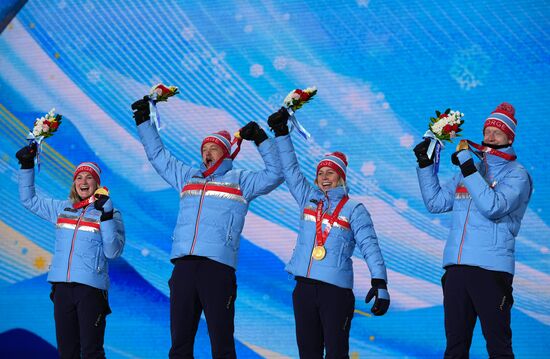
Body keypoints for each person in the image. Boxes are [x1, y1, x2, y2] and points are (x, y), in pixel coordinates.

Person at [131, 97, 283, 358]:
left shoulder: (241, 180)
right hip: (184, 267)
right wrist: (144, 120)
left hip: (217, 268)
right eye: (204, 148)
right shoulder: (187, 177)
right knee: (180, 344)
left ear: (225, 152)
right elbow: (158, 156)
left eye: (213, 148)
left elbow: (276, 173)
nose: (207, 152)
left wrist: (261, 139)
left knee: (221, 343)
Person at [267, 108, 390, 358]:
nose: (324, 177)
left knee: (336, 354)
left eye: (330, 173)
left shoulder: (355, 209)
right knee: (308, 354)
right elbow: (291, 169)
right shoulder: (308, 199)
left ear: (341, 177)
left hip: (335, 292)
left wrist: (380, 282)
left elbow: (370, 246)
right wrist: (282, 133)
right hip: (303, 289)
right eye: (320, 173)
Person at [413, 102, 532, 358]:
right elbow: (436, 202)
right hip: (457, 269)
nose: (489, 136)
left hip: (491, 270)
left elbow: (493, 206)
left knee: (498, 348)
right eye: (487, 130)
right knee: (455, 348)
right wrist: (426, 165)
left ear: (509, 137)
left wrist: (467, 166)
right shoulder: (471, 171)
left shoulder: (517, 175)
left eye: (497, 132)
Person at [16, 144, 125, 359]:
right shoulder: (62, 208)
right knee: (67, 352)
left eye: (89, 178)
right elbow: (29, 200)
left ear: (97, 183)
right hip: (62, 288)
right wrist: (27, 166)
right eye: (79, 178)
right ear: (74, 183)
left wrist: (107, 216)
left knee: (91, 351)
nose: (83, 182)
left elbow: (113, 251)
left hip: (91, 290)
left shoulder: (111, 213)